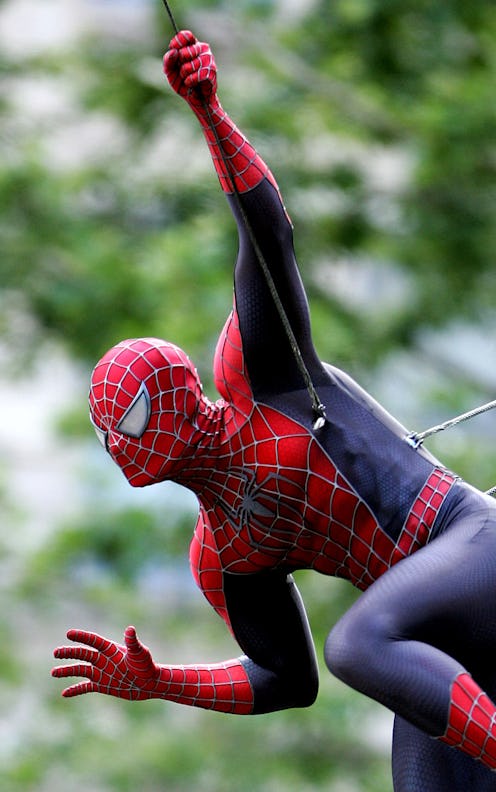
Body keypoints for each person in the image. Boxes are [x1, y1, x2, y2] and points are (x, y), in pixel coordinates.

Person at [52, 30, 496, 791]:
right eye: (106, 432)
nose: (118, 443)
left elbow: (267, 235)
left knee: (355, 643)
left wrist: (210, 115)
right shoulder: (223, 553)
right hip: (433, 644)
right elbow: (285, 679)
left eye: (128, 419)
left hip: (472, 544)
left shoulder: (257, 377)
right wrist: (160, 681)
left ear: (178, 393)